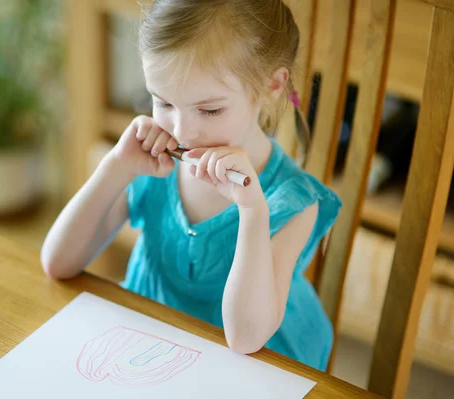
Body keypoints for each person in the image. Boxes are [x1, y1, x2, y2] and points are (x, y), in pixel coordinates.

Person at [41, 0, 342, 371]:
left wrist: (252, 211)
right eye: (162, 101)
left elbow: (246, 338)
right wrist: (115, 166)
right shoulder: (150, 167)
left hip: (253, 366)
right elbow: (58, 263)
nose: (181, 131)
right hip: (149, 350)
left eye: (210, 110)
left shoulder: (292, 201)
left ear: (271, 85)